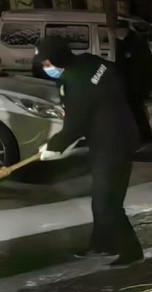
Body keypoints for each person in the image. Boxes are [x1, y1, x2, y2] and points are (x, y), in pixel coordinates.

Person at [35, 35, 144, 267]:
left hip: (112, 144)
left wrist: (54, 146)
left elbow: (74, 124)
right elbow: (115, 76)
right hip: (119, 133)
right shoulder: (89, 61)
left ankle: (131, 250)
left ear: (57, 59)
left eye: (46, 63)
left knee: (108, 202)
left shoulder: (75, 83)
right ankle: (104, 244)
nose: (46, 68)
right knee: (100, 197)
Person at [114, 25, 152, 148]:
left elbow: (125, 66)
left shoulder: (132, 45)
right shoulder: (133, 43)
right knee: (136, 112)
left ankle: (143, 137)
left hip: (134, 86)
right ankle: (141, 136)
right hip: (134, 85)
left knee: (137, 112)